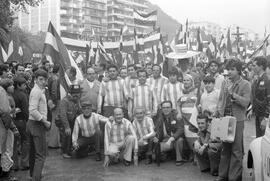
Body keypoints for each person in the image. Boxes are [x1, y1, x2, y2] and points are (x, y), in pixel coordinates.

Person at [215, 59, 251, 181]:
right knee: (225, 148)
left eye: (232, 69)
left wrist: (233, 95)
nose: (229, 72)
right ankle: (222, 175)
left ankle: (234, 177)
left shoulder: (245, 84)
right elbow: (220, 99)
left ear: (238, 70)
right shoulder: (225, 82)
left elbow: (246, 102)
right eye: (228, 69)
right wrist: (217, 112)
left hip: (238, 120)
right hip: (225, 117)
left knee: (236, 149)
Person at [27, 69, 51, 181]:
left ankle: (33, 175)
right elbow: (32, 110)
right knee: (40, 155)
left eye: (44, 79)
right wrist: (44, 121)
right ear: (35, 80)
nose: (42, 81)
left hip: (32, 123)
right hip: (36, 124)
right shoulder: (36, 91)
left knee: (33, 152)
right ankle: (36, 177)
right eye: (40, 79)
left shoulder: (38, 90)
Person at [153, 101, 186, 166]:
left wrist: (172, 138)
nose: (166, 109)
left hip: (175, 140)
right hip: (165, 140)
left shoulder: (177, 116)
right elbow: (156, 130)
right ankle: (169, 154)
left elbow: (181, 129)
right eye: (164, 108)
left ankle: (179, 159)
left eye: (168, 107)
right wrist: (156, 137)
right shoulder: (159, 117)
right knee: (154, 157)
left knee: (180, 140)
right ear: (161, 109)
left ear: (171, 108)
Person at [177, 74, 199, 162]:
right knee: (188, 136)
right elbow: (178, 105)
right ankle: (192, 152)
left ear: (192, 81)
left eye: (188, 80)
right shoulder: (181, 92)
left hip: (194, 118)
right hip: (185, 119)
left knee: (195, 135)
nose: (186, 82)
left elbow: (198, 103)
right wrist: (179, 113)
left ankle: (196, 154)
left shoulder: (196, 91)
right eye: (184, 80)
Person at [0, 79, 19, 181]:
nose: (13, 87)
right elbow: (5, 112)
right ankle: (6, 174)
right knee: (6, 150)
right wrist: (12, 127)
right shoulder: (2, 94)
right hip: (3, 128)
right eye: (11, 85)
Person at [58, 85, 81, 158]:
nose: (76, 94)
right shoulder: (64, 101)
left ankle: (69, 149)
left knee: (73, 133)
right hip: (62, 121)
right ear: (70, 93)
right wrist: (67, 127)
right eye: (74, 93)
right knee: (67, 133)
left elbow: (79, 110)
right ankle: (64, 152)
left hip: (71, 119)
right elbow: (63, 115)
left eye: (77, 93)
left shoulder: (76, 100)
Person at [12, 77, 30, 171]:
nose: (25, 86)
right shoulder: (23, 95)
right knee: (25, 141)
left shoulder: (10, 93)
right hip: (21, 121)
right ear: (18, 85)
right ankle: (24, 163)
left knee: (14, 143)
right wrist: (27, 120)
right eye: (23, 84)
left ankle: (14, 165)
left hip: (12, 121)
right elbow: (25, 110)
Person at [250, 56, 270, 137]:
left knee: (264, 140)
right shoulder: (257, 79)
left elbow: (269, 99)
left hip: (263, 115)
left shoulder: (267, 79)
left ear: (261, 66)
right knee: (259, 138)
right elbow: (255, 97)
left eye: (254, 65)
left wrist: (266, 118)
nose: (252, 67)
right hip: (258, 113)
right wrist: (252, 109)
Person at [47, 64, 61, 148]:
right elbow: (54, 92)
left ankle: (54, 142)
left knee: (53, 121)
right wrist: (55, 103)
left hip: (51, 100)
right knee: (55, 122)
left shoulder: (51, 77)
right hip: (55, 101)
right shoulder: (55, 79)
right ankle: (53, 143)